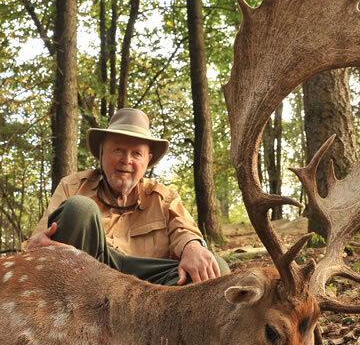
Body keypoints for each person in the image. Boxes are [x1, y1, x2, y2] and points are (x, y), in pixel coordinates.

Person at [25, 108, 229, 286]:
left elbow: (183, 230)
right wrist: (36, 246)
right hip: (84, 282)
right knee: (80, 207)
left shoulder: (163, 197)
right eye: (118, 150)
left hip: (148, 288)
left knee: (216, 269)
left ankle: (155, 323)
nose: (126, 160)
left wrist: (192, 247)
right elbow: (36, 243)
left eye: (136, 154)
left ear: (148, 161)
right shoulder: (72, 186)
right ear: (102, 154)